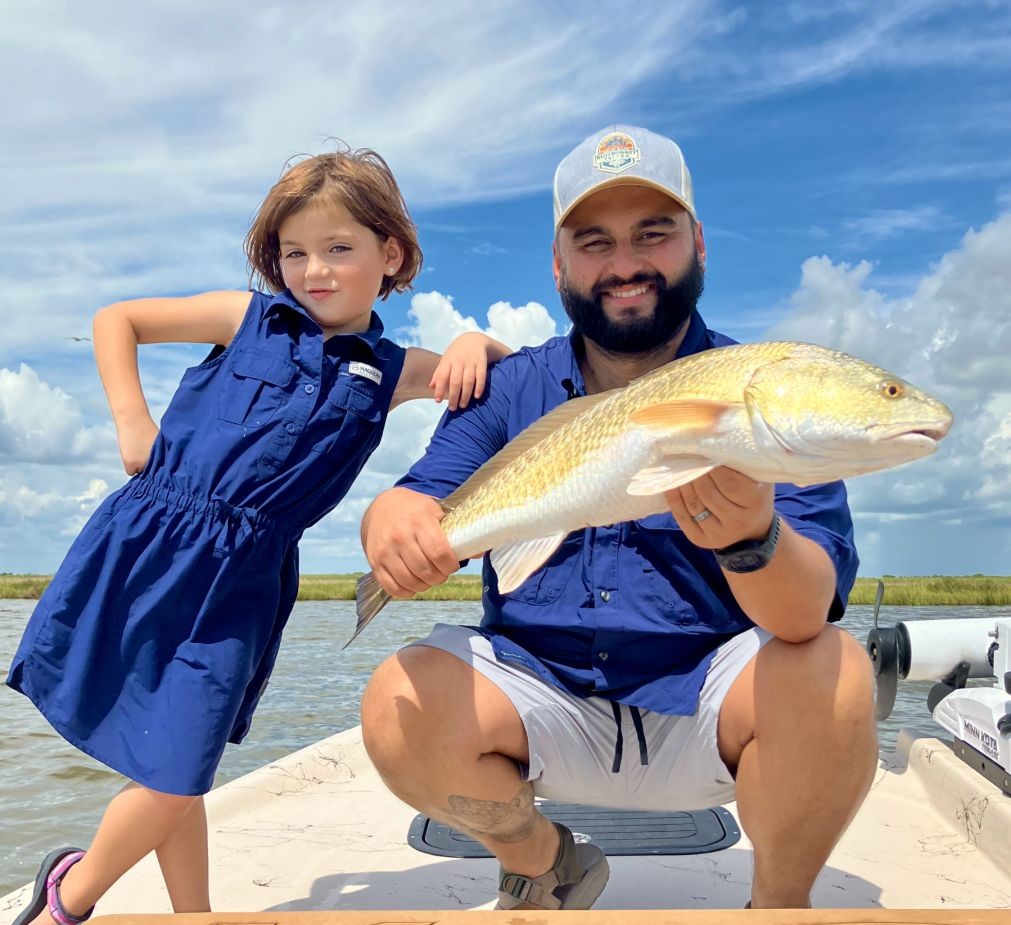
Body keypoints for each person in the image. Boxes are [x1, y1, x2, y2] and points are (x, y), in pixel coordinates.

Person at [359, 125, 878, 911]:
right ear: (558, 263)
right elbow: (420, 496)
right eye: (594, 242)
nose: (625, 263)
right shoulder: (507, 387)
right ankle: (544, 863)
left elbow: (806, 613)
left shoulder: (760, 389)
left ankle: (777, 906)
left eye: (652, 233)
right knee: (396, 701)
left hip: (708, 702)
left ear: (697, 243)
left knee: (836, 672)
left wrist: (752, 538)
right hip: (539, 698)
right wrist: (389, 523)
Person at [7, 147, 511, 925]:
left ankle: (64, 898)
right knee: (169, 757)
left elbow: (503, 375)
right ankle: (183, 913)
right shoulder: (245, 318)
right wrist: (132, 420)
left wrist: (477, 341)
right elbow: (118, 320)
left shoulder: (392, 368)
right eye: (294, 252)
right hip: (149, 541)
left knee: (181, 757)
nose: (314, 270)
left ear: (390, 255)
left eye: (338, 248)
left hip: (246, 577)